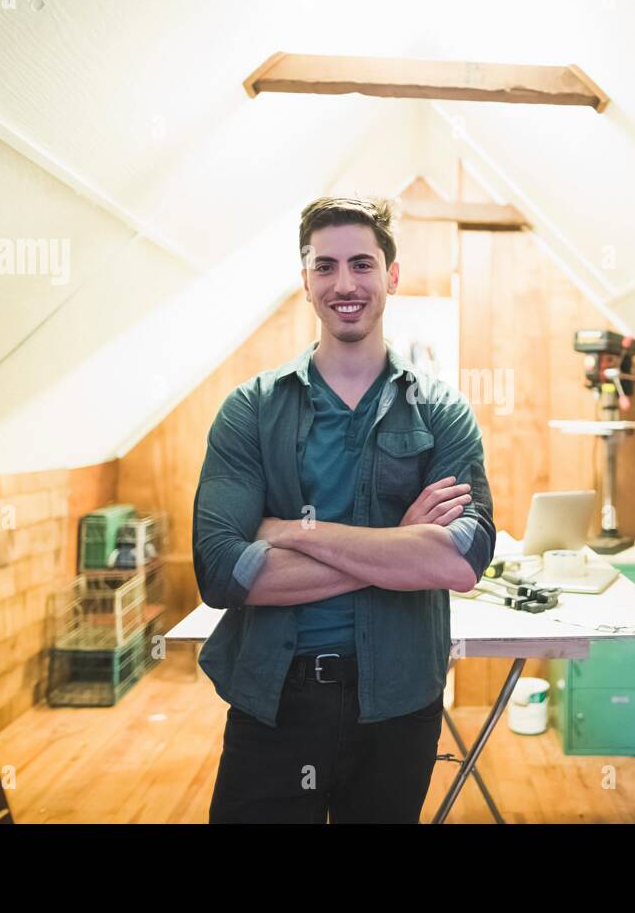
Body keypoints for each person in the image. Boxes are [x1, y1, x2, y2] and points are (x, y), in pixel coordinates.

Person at [192, 195, 496, 823]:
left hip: (397, 701)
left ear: (392, 275)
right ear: (305, 280)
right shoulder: (250, 410)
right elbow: (221, 573)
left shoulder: (440, 413)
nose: (345, 283)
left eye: (362, 263)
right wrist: (400, 545)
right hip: (273, 697)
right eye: (325, 266)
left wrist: (287, 534)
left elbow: (465, 559)